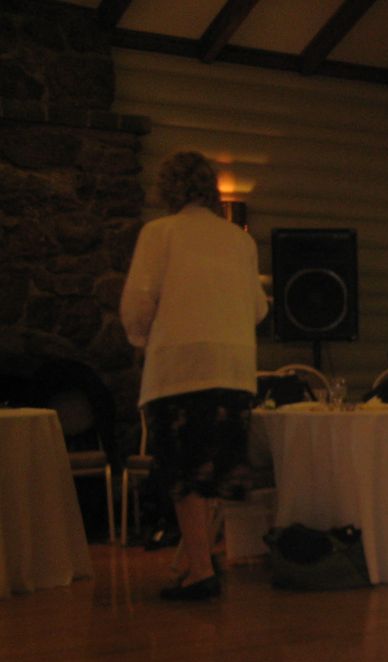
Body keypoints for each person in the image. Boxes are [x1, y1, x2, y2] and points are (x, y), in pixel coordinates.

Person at [120, 150, 267, 601]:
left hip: (180, 369)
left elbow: (138, 302)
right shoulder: (240, 242)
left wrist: (142, 338)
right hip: (232, 369)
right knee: (212, 473)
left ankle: (200, 569)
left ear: (167, 188)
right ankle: (195, 560)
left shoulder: (159, 233)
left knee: (183, 473)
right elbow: (258, 309)